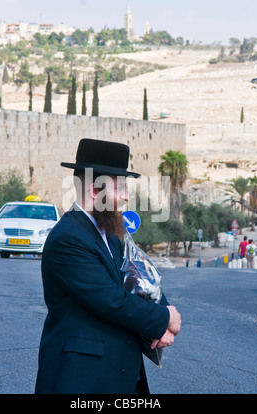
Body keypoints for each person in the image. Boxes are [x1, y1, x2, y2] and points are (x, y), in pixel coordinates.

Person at [35, 138, 181, 394]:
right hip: (82, 380)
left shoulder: (111, 232)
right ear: (95, 191)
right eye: (120, 188)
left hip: (120, 376)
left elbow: (138, 276)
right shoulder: (68, 238)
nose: (125, 197)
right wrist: (165, 318)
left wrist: (164, 310)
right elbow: (112, 301)